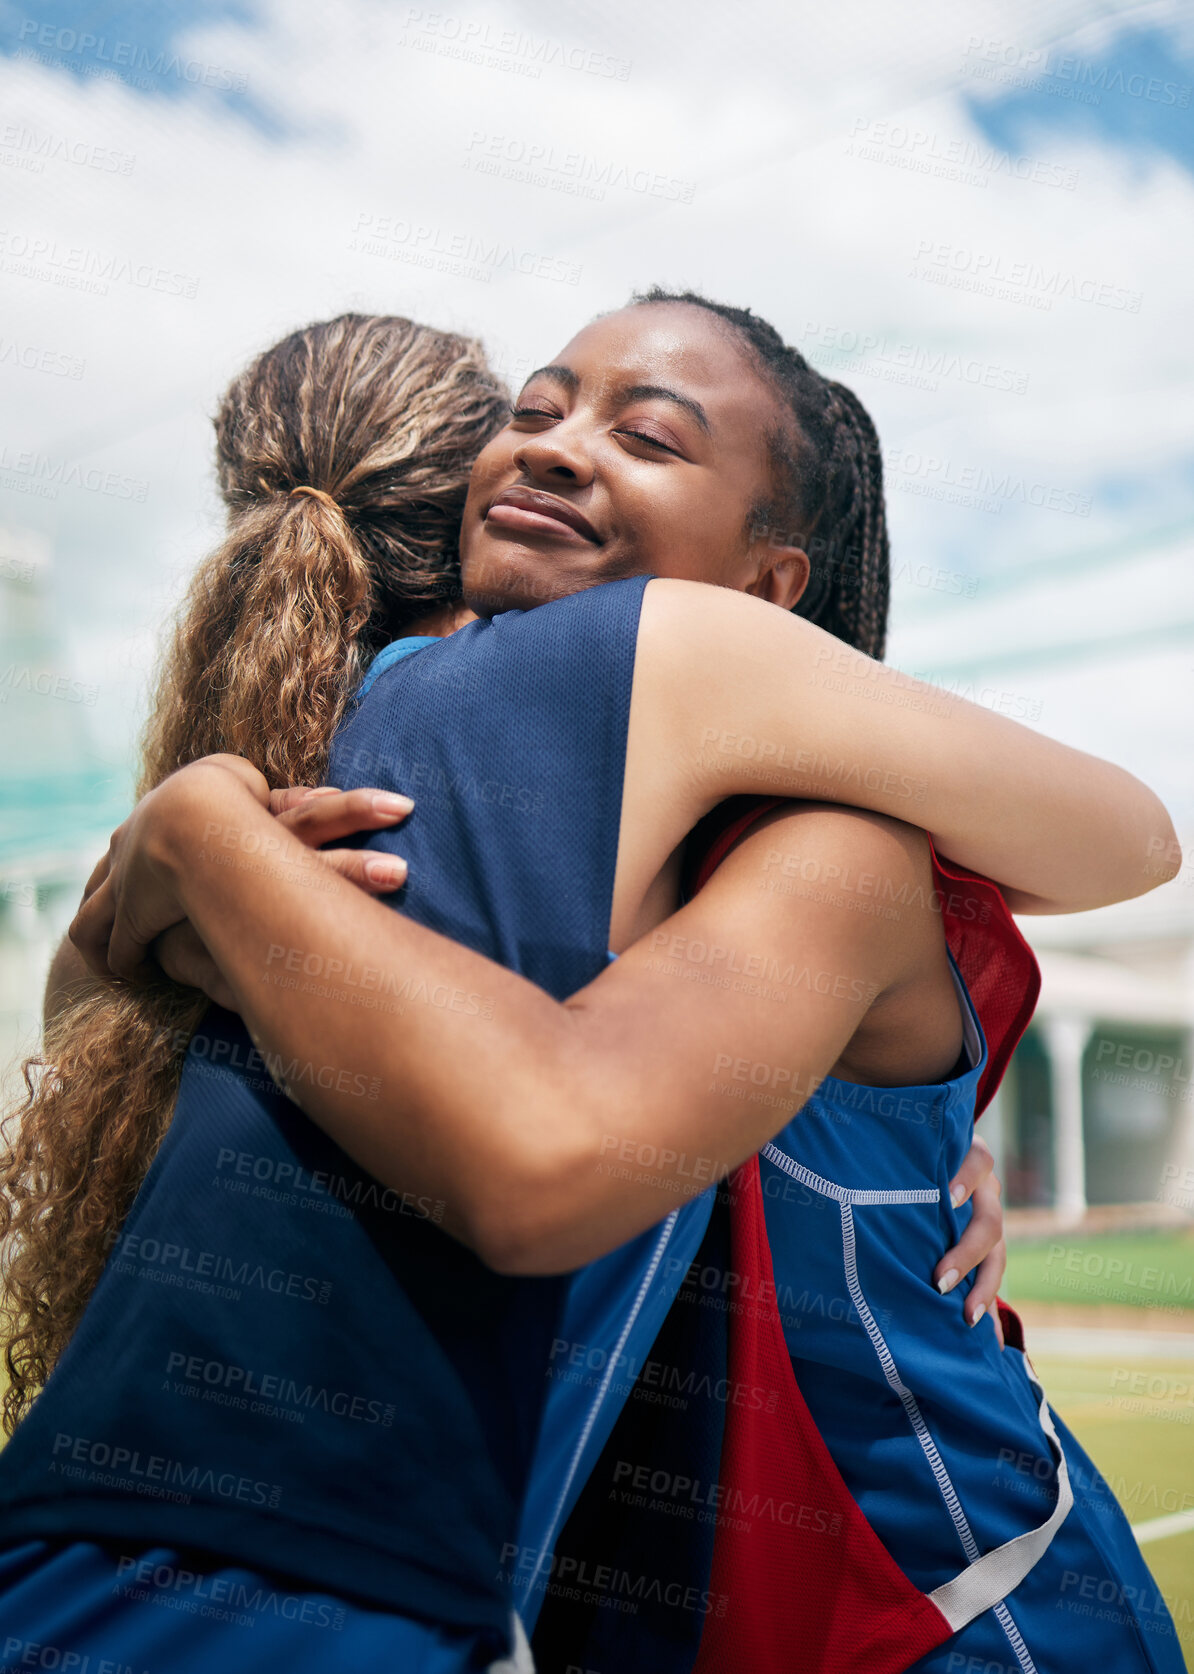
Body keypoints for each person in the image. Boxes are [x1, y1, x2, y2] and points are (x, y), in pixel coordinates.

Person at [4, 295, 1181, 1673]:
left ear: (771, 590)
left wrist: (193, 842)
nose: (560, 447)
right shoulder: (361, 762)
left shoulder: (773, 795)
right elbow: (135, 1047)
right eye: (536, 408)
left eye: (646, 435)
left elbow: (1131, 839)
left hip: (946, 1607)